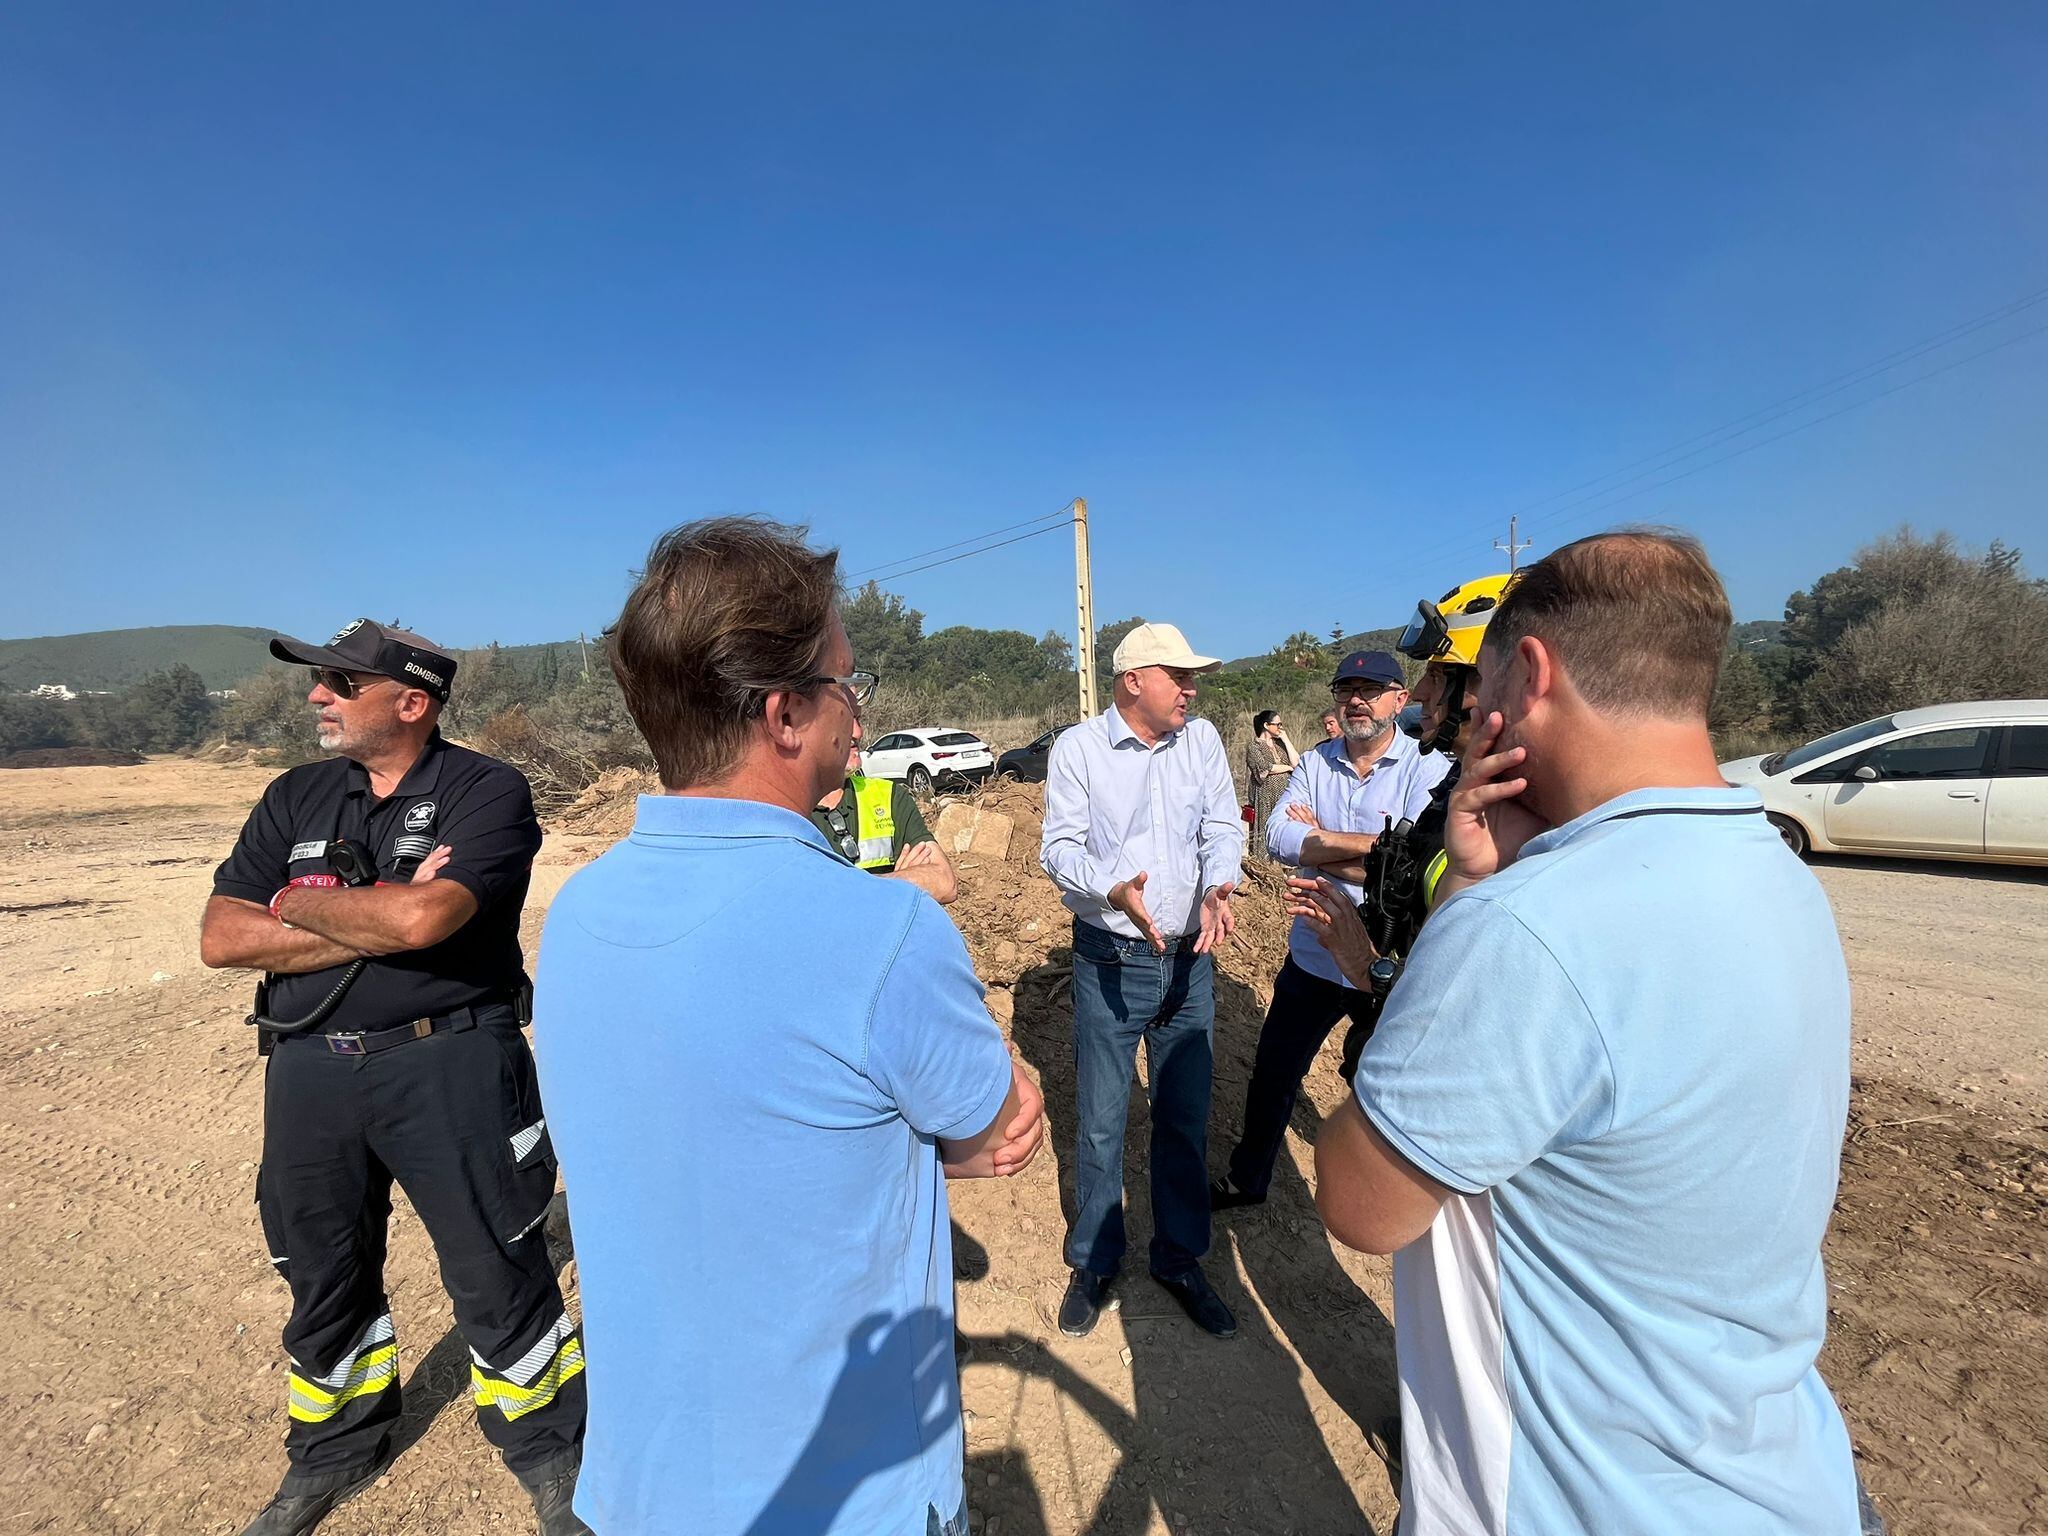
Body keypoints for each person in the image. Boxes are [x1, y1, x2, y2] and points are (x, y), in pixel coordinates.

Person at [1310, 531, 1861, 1534]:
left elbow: (1358, 1203)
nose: (1465, 715)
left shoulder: (1527, 926)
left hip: (1567, 1504)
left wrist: (1466, 903)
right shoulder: (1776, 875)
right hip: (1775, 1483)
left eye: (1473, 690)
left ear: (1527, 672)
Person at [532, 518, 1043, 1535]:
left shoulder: (578, 916)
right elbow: (998, 1130)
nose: (859, 716)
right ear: (783, 714)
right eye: (848, 687)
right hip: (843, 1498)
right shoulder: (884, 928)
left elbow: (699, 1118)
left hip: (640, 1485)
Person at [200, 619, 588, 1536]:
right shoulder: (293, 796)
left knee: (497, 1266)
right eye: (320, 681)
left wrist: (296, 909)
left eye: (340, 683)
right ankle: (335, 1448)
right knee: (321, 1270)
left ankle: (550, 1451)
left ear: (411, 703)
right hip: (308, 1074)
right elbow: (222, 937)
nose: (316, 697)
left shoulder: (486, 790)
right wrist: (344, 905)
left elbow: (425, 922)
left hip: (450, 1061)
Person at [1039, 622, 1244, 1340]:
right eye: (1178, 676)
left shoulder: (1204, 740)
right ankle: (1095, 1259)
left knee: (1183, 1120)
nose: (1191, 689)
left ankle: (1179, 1257)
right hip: (1111, 961)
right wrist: (1112, 888)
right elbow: (1058, 848)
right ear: (1133, 681)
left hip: (1191, 961)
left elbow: (1223, 825)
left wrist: (1221, 882)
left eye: (1193, 678)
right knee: (1100, 1121)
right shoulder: (1079, 751)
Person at [1209, 651, 1447, 1212]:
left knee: (1379, 1081)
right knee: (1274, 1074)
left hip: (1384, 964)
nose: (1356, 700)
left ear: (1399, 698)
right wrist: (1374, 851)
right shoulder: (1316, 763)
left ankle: (1383, 1197)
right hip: (1313, 957)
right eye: (1346, 689)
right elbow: (1276, 840)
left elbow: (1414, 868)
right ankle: (1249, 1179)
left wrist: (1322, 847)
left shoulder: (1425, 766)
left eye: (1371, 688)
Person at [811, 736, 958, 903]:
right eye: (843, 716)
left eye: (857, 719)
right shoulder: (782, 812)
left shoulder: (888, 795)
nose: (857, 733)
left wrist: (844, 892)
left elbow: (945, 884)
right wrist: (900, 881)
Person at [1242, 708, 1298, 860]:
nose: (1281, 728)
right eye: (1278, 724)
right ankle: (1263, 868)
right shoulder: (1254, 746)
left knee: (1284, 830)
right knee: (1264, 832)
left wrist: (1286, 740)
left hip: (1284, 795)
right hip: (1265, 797)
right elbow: (1264, 768)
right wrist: (1287, 768)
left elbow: (1296, 763)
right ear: (1267, 725)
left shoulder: (1280, 744)